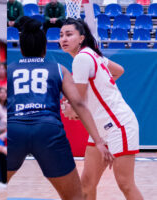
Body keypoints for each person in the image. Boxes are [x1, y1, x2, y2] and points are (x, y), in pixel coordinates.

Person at [7, 17, 113, 199]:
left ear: (21, 48)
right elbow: (79, 103)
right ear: (44, 48)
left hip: (14, 130)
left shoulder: (9, 69)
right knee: (74, 197)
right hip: (47, 131)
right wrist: (98, 140)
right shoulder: (58, 68)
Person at [59, 18, 143, 200]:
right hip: (100, 129)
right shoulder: (94, 55)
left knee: (125, 184)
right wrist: (100, 88)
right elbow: (119, 70)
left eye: (69, 34)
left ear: (81, 38)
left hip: (119, 125)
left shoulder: (82, 58)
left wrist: (69, 109)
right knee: (86, 185)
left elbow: (78, 103)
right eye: (61, 35)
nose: (64, 38)